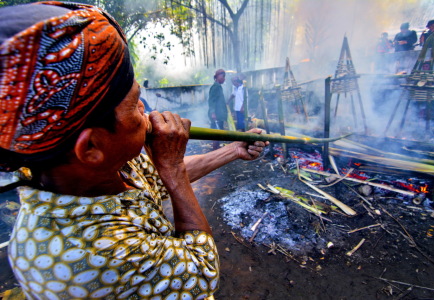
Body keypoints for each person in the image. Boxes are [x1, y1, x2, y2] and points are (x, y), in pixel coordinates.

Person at [0, 2, 268, 299]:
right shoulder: (86, 255)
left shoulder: (106, 166)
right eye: (134, 103)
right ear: (91, 147)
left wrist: (232, 151)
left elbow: (156, 180)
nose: (144, 110)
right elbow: (202, 271)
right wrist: (174, 169)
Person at [207, 69, 228, 149]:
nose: (224, 78)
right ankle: (215, 151)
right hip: (216, 115)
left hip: (219, 114)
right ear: (218, 76)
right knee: (216, 135)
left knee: (218, 135)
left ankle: (216, 150)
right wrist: (212, 113)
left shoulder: (218, 87)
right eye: (223, 76)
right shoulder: (215, 87)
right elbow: (211, 101)